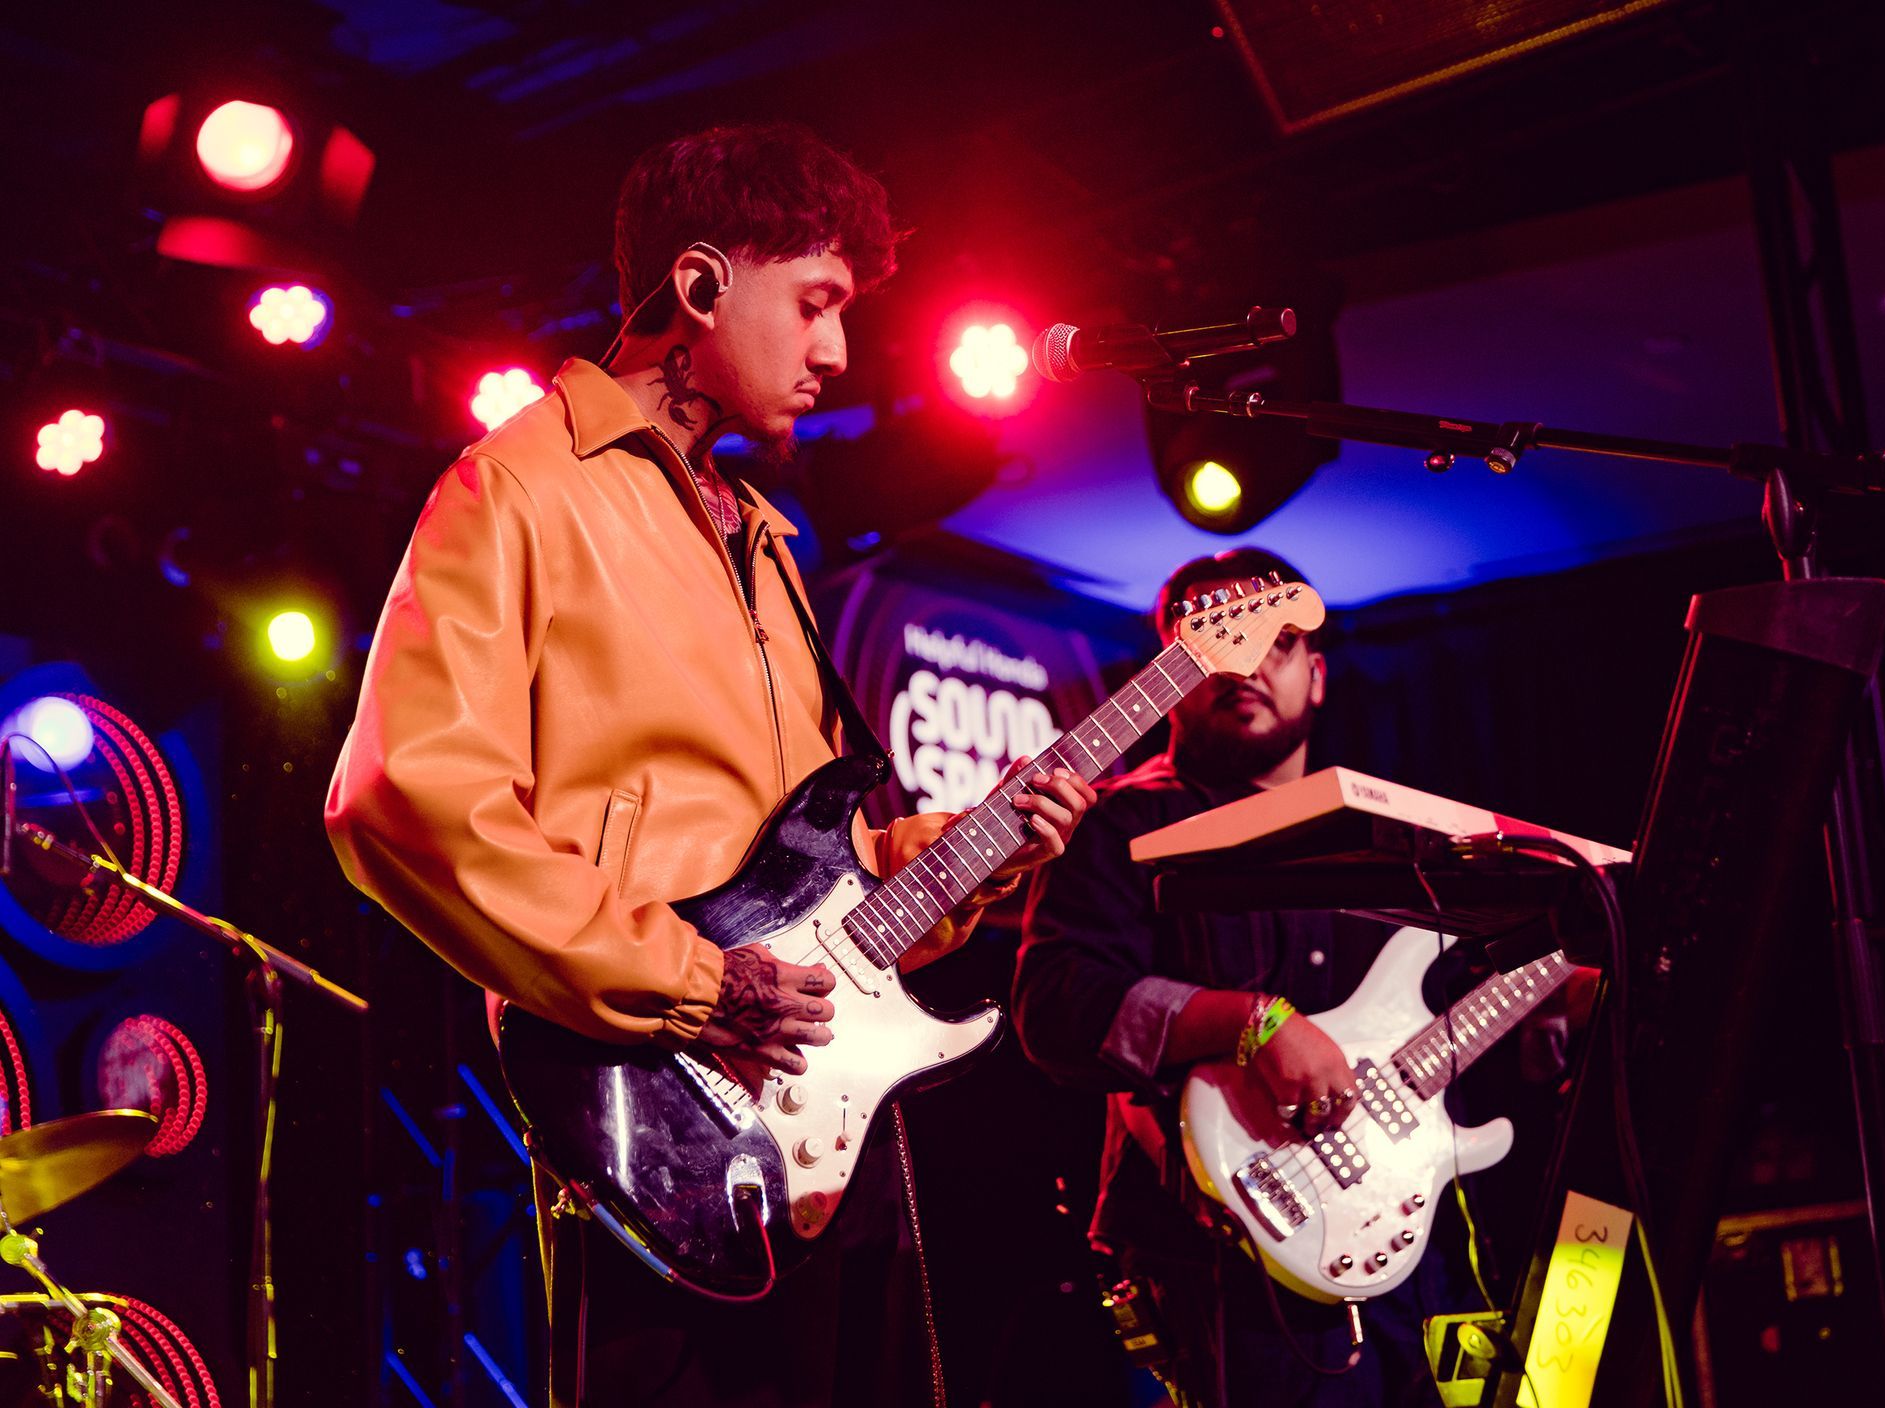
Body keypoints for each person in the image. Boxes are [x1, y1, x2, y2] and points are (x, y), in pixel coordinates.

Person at [325, 122, 1093, 1407]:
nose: (838, 351)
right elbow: (400, 793)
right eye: (814, 302)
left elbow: (818, 858)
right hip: (661, 1112)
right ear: (697, 287)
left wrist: (971, 851)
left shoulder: (768, 541)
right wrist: (692, 980)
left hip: (826, 1110)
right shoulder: (519, 486)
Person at [1012, 546, 1464, 1408]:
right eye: (1214, 644)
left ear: (1318, 674)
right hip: (1208, 1268)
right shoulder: (1121, 824)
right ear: (1169, 675)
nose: (1247, 662)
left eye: (1277, 641)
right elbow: (1057, 1006)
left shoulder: (1381, 834)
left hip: (1402, 1255)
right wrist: (1250, 1021)